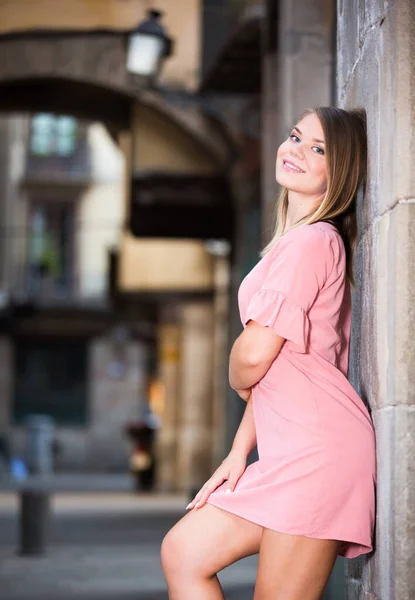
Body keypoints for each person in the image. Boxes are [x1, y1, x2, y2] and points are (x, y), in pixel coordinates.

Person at [160, 107, 377, 600]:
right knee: (184, 553)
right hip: (290, 452)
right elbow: (275, 366)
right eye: (296, 136)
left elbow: (256, 357)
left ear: (339, 171)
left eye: (317, 149)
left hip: (317, 454)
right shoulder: (296, 244)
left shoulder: (312, 243)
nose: (295, 150)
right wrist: (239, 452)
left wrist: (238, 372)